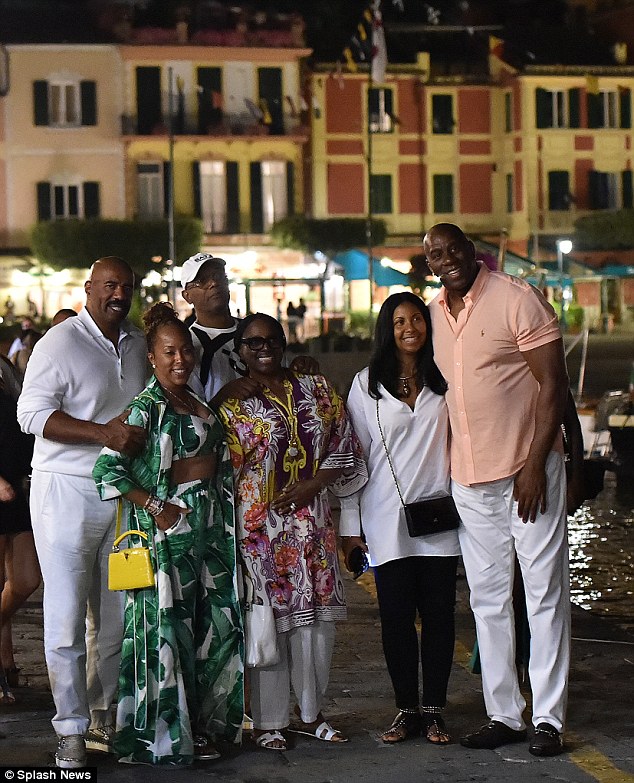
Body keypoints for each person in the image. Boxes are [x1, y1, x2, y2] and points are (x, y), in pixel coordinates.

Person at [423, 223, 570, 757]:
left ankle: (549, 718)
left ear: (470, 251)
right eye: (436, 255)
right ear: (431, 264)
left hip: (527, 471)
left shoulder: (517, 298)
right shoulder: (435, 316)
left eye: (453, 249)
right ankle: (504, 713)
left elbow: (554, 385)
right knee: (487, 600)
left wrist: (537, 464)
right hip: (469, 477)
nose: (447, 260)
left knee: (543, 593)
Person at [92, 302, 243, 765]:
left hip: (209, 533)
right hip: (168, 537)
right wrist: (158, 508)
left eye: (185, 352)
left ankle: (199, 729)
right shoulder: (145, 406)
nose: (180, 360)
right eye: (169, 352)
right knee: (167, 635)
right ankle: (164, 737)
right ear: (152, 358)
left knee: (206, 634)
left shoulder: (194, 401)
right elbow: (107, 471)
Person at [17, 257, 148, 769]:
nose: (119, 294)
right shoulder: (61, 341)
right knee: (66, 617)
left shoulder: (137, 342)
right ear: (89, 288)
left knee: (114, 619)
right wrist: (101, 433)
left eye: (127, 287)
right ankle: (69, 730)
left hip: (120, 495)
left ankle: (103, 714)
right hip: (64, 492)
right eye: (110, 285)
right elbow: (31, 413)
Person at [217, 313, 366, 751]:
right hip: (259, 532)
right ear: (239, 351)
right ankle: (267, 721)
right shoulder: (232, 404)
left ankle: (311, 713)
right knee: (269, 626)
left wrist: (316, 483)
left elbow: (345, 443)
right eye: (252, 342)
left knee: (316, 628)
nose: (263, 348)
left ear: (285, 343)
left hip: (313, 527)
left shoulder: (316, 389)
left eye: (272, 339)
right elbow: (221, 467)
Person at [339, 292, 460, 745]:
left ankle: (435, 711)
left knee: (440, 615)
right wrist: (350, 528)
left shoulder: (444, 377)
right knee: (395, 617)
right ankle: (406, 709)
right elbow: (355, 458)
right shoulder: (366, 385)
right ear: (386, 331)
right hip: (385, 515)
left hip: (439, 514)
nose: (409, 328)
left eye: (417, 319)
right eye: (398, 322)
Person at [180, 253, 317, 409]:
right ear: (187, 296)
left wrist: (298, 369)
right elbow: (192, 418)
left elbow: (281, 376)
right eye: (201, 281)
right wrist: (224, 397)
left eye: (218, 276)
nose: (213, 283)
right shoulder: (188, 347)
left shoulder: (257, 331)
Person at [0, 378, 38, 703]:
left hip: (16, 491)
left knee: (26, 580)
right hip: (1, 487)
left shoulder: (7, 373)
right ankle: (5, 668)